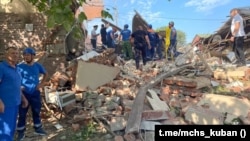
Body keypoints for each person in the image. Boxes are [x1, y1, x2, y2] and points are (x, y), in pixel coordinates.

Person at [16, 47, 48, 141]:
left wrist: (41, 84)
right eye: (24, 55)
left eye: (28, 55)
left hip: (35, 93)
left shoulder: (37, 66)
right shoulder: (19, 67)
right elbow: (16, 80)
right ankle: (21, 132)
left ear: (33, 56)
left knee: (36, 111)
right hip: (24, 93)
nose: (26, 57)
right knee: (22, 113)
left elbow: (45, 73)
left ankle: (38, 128)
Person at [0, 47, 28, 141]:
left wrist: (23, 98)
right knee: (5, 130)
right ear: (6, 55)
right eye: (12, 53)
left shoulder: (17, 69)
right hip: (5, 105)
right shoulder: (1, 67)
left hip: (16, 103)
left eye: (16, 53)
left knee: (12, 128)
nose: (15, 55)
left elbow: (17, 86)